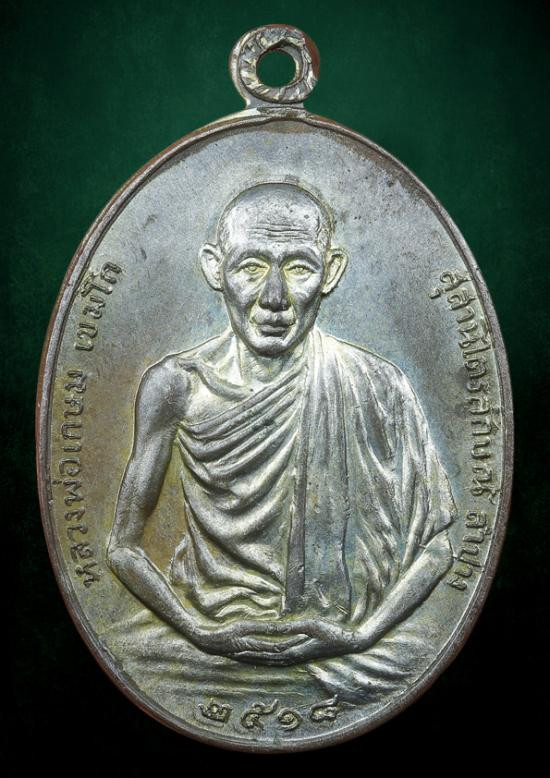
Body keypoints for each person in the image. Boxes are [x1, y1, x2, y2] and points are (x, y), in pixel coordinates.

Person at [107, 182, 456, 676]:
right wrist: (199, 632)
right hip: (208, 642)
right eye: (251, 268)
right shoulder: (176, 387)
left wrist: (362, 635)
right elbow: (122, 546)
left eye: (299, 268)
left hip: (344, 647)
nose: (274, 298)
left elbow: (438, 547)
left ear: (331, 272)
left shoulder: (379, 386)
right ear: (215, 268)